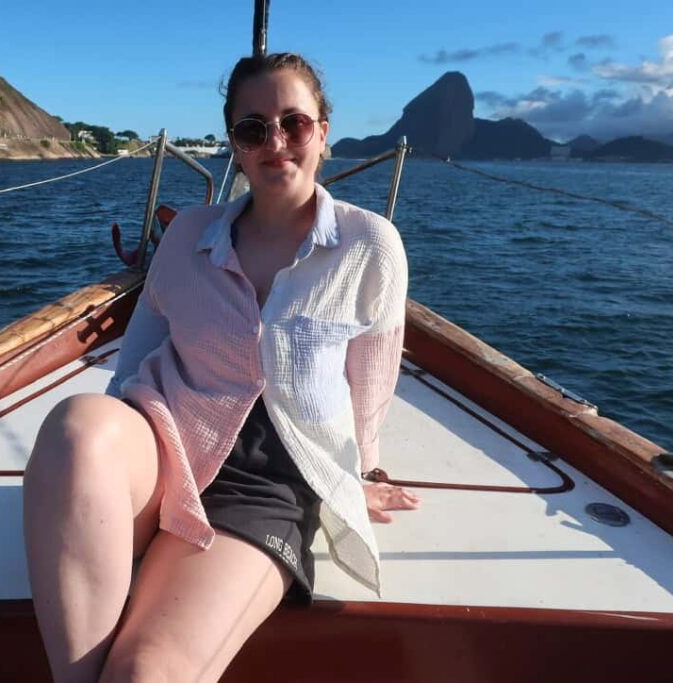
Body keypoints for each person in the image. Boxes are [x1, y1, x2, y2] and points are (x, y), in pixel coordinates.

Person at [23, 52, 420, 683]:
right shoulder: (189, 235)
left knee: (145, 673)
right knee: (78, 424)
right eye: (253, 128)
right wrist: (101, 473)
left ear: (323, 132)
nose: (276, 142)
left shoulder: (368, 244)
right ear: (233, 140)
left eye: (295, 122)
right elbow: (133, 367)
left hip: (264, 487)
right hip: (164, 445)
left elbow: (371, 376)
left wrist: (361, 470)